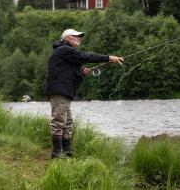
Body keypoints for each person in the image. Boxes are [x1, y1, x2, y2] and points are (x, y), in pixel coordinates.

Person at [44, 29, 124, 158]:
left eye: (80, 37)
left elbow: (67, 73)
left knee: (67, 122)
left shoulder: (66, 54)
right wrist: (108, 58)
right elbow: (86, 56)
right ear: (68, 38)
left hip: (64, 92)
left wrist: (81, 73)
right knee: (59, 121)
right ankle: (57, 153)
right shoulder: (65, 50)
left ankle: (67, 151)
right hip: (59, 91)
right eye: (76, 36)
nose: (79, 38)